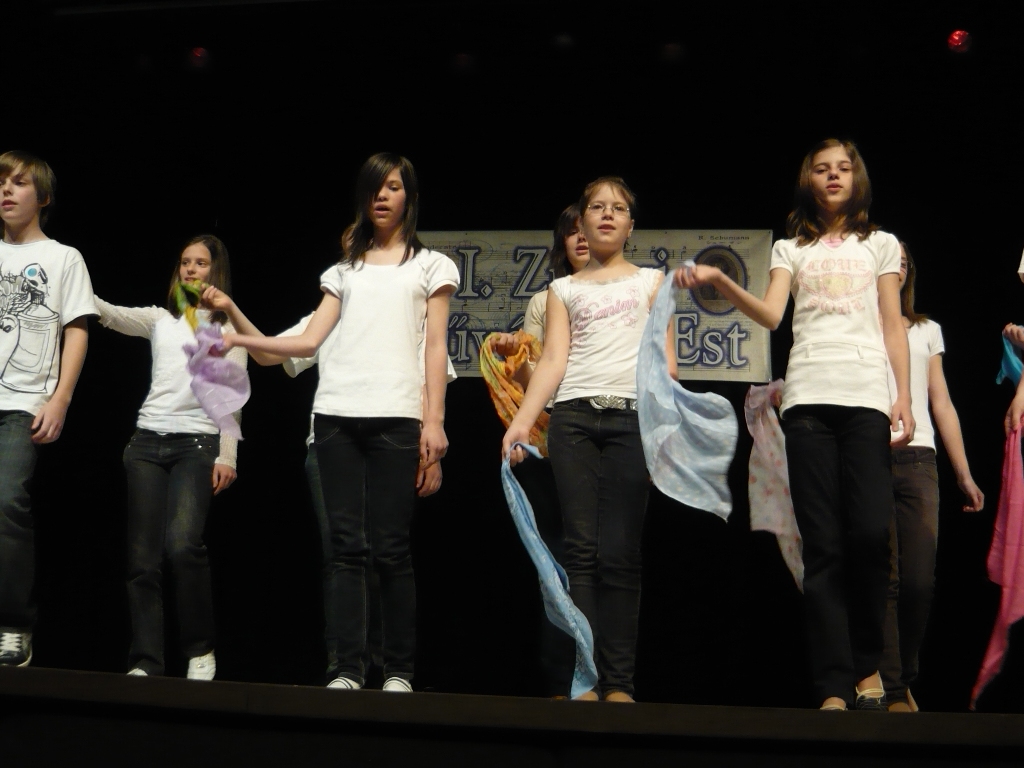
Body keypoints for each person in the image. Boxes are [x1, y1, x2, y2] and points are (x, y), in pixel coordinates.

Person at [675, 139, 914, 711]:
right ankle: (834, 684)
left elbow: (893, 323)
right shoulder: (790, 248)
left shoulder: (881, 244)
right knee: (823, 546)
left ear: (857, 178)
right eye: (822, 170)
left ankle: (868, 666)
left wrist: (903, 394)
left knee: (870, 535)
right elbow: (771, 314)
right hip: (806, 401)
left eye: (843, 168)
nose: (833, 177)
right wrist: (721, 280)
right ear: (809, 181)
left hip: (865, 398)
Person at [207, 153, 458, 692]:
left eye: (393, 187)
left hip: (396, 418)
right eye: (374, 188)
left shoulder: (432, 266)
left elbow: (435, 347)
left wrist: (434, 422)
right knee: (346, 550)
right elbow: (305, 343)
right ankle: (347, 669)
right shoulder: (343, 273)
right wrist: (238, 336)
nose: (382, 196)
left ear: (410, 197)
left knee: (391, 548)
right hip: (336, 419)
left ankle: (398, 670)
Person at [502, 177, 674, 703]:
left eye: (617, 208)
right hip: (573, 421)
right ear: (581, 221)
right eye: (596, 207)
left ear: (630, 225)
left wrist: (664, 429)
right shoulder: (564, 290)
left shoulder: (653, 282)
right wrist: (521, 421)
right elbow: (553, 361)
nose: (606, 214)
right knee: (580, 553)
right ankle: (585, 680)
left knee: (620, 554)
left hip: (631, 421)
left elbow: (666, 365)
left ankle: (619, 682)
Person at [94, 234, 246, 679]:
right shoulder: (161, 320)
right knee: (141, 561)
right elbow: (107, 313)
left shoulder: (228, 329)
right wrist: (68, 273)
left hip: (196, 445)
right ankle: (146, 660)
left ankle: (199, 649)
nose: (190, 269)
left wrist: (228, 455)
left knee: (182, 546)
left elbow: (232, 399)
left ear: (216, 270)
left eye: (200, 263)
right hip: (146, 444)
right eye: (185, 262)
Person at [0, 151, 97, 667]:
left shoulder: (64, 258)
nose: (6, 190)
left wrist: (60, 398)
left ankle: (13, 623)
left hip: (22, 401)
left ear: (43, 197)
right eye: (1, 182)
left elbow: (76, 329)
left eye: (18, 183)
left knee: (6, 502)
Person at [491, 204, 589, 698]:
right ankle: (559, 683)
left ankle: (609, 680)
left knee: (603, 560)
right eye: (571, 232)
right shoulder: (545, 300)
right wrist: (516, 361)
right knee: (555, 561)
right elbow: (537, 379)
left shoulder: (631, 291)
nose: (582, 238)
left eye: (587, 229)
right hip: (554, 438)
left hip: (610, 435)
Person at [880, 243, 984, 712]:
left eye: (904, 261)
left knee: (919, 580)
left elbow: (941, 402)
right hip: (869, 455)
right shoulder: (859, 327)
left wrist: (964, 474)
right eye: (891, 259)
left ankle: (903, 675)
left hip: (919, 459)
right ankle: (892, 688)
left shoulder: (926, 329)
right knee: (885, 577)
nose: (898, 266)